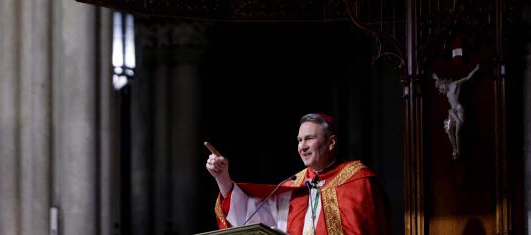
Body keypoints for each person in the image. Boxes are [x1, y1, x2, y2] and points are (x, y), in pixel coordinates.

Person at [205, 113, 390, 235]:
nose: (302, 146)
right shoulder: (295, 185)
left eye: (309, 138)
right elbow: (251, 216)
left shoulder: (359, 180)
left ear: (331, 142)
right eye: (299, 140)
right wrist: (223, 178)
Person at [432, 64, 480, 159]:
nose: (442, 91)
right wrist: (436, 78)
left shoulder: (455, 84)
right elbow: (440, 83)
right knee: (449, 130)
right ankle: (455, 149)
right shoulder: (446, 90)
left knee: (458, 132)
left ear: (444, 84)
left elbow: (467, 78)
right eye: (441, 90)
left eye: (441, 89)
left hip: (458, 110)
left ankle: (459, 150)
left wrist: (475, 69)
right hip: (452, 112)